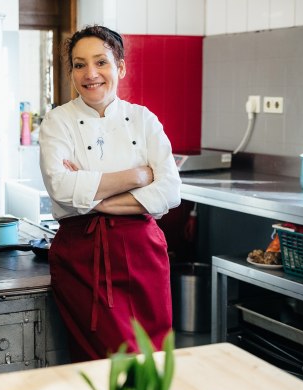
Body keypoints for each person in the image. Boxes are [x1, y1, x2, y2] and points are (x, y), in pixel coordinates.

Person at [38, 25, 182, 362]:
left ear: (120, 67)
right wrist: (137, 175)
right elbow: (61, 187)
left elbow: (170, 190)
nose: (90, 74)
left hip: (143, 251)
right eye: (79, 64)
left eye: (101, 62)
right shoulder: (57, 122)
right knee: (106, 359)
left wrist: (95, 199)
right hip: (84, 256)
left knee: (152, 354)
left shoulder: (143, 119)